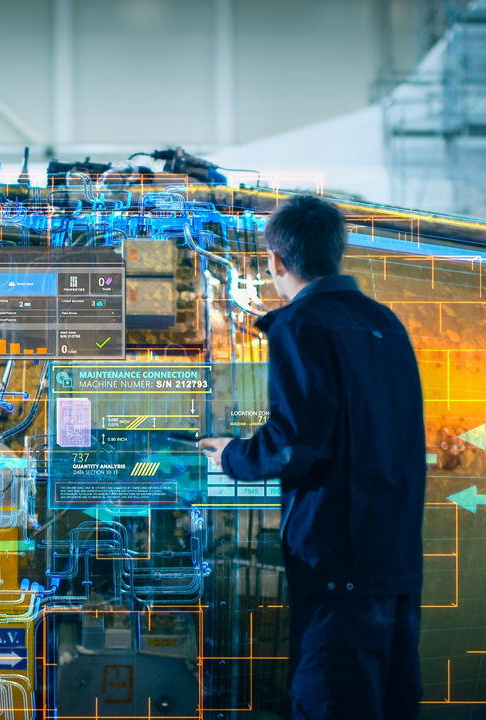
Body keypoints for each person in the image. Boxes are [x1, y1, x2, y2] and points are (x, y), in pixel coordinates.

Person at [198, 195, 427, 720]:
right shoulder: (387, 324)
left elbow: (295, 441)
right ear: (337, 252)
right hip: (394, 568)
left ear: (276, 262)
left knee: (329, 702)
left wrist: (232, 454)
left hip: (335, 571)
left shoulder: (302, 325)